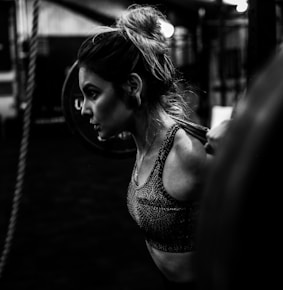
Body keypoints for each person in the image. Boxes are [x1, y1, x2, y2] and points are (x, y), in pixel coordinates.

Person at [76, 4, 208, 289]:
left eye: (93, 94)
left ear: (133, 87)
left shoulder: (186, 153)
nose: (84, 109)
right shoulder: (144, 141)